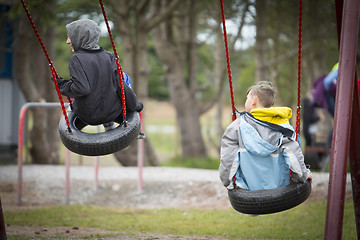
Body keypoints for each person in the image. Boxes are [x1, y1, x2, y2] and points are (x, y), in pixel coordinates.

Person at [219, 81, 312, 191]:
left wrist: (228, 182)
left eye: (247, 98)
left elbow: (227, 160)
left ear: (254, 101)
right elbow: (294, 157)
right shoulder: (284, 127)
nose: (246, 101)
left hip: (246, 188)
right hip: (280, 187)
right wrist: (303, 175)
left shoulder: (236, 127)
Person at [55, 19, 143, 130]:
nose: (68, 41)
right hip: (112, 113)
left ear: (80, 37)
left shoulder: (76, 58)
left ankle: (79, 118)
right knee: (123, 78)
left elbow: (82, 89)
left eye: (70, 37)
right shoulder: (109, 56)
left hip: (88, 116)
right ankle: (109, 124)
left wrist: (61, 84)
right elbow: (121, 86)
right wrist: (135, 106)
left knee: (83, 84)